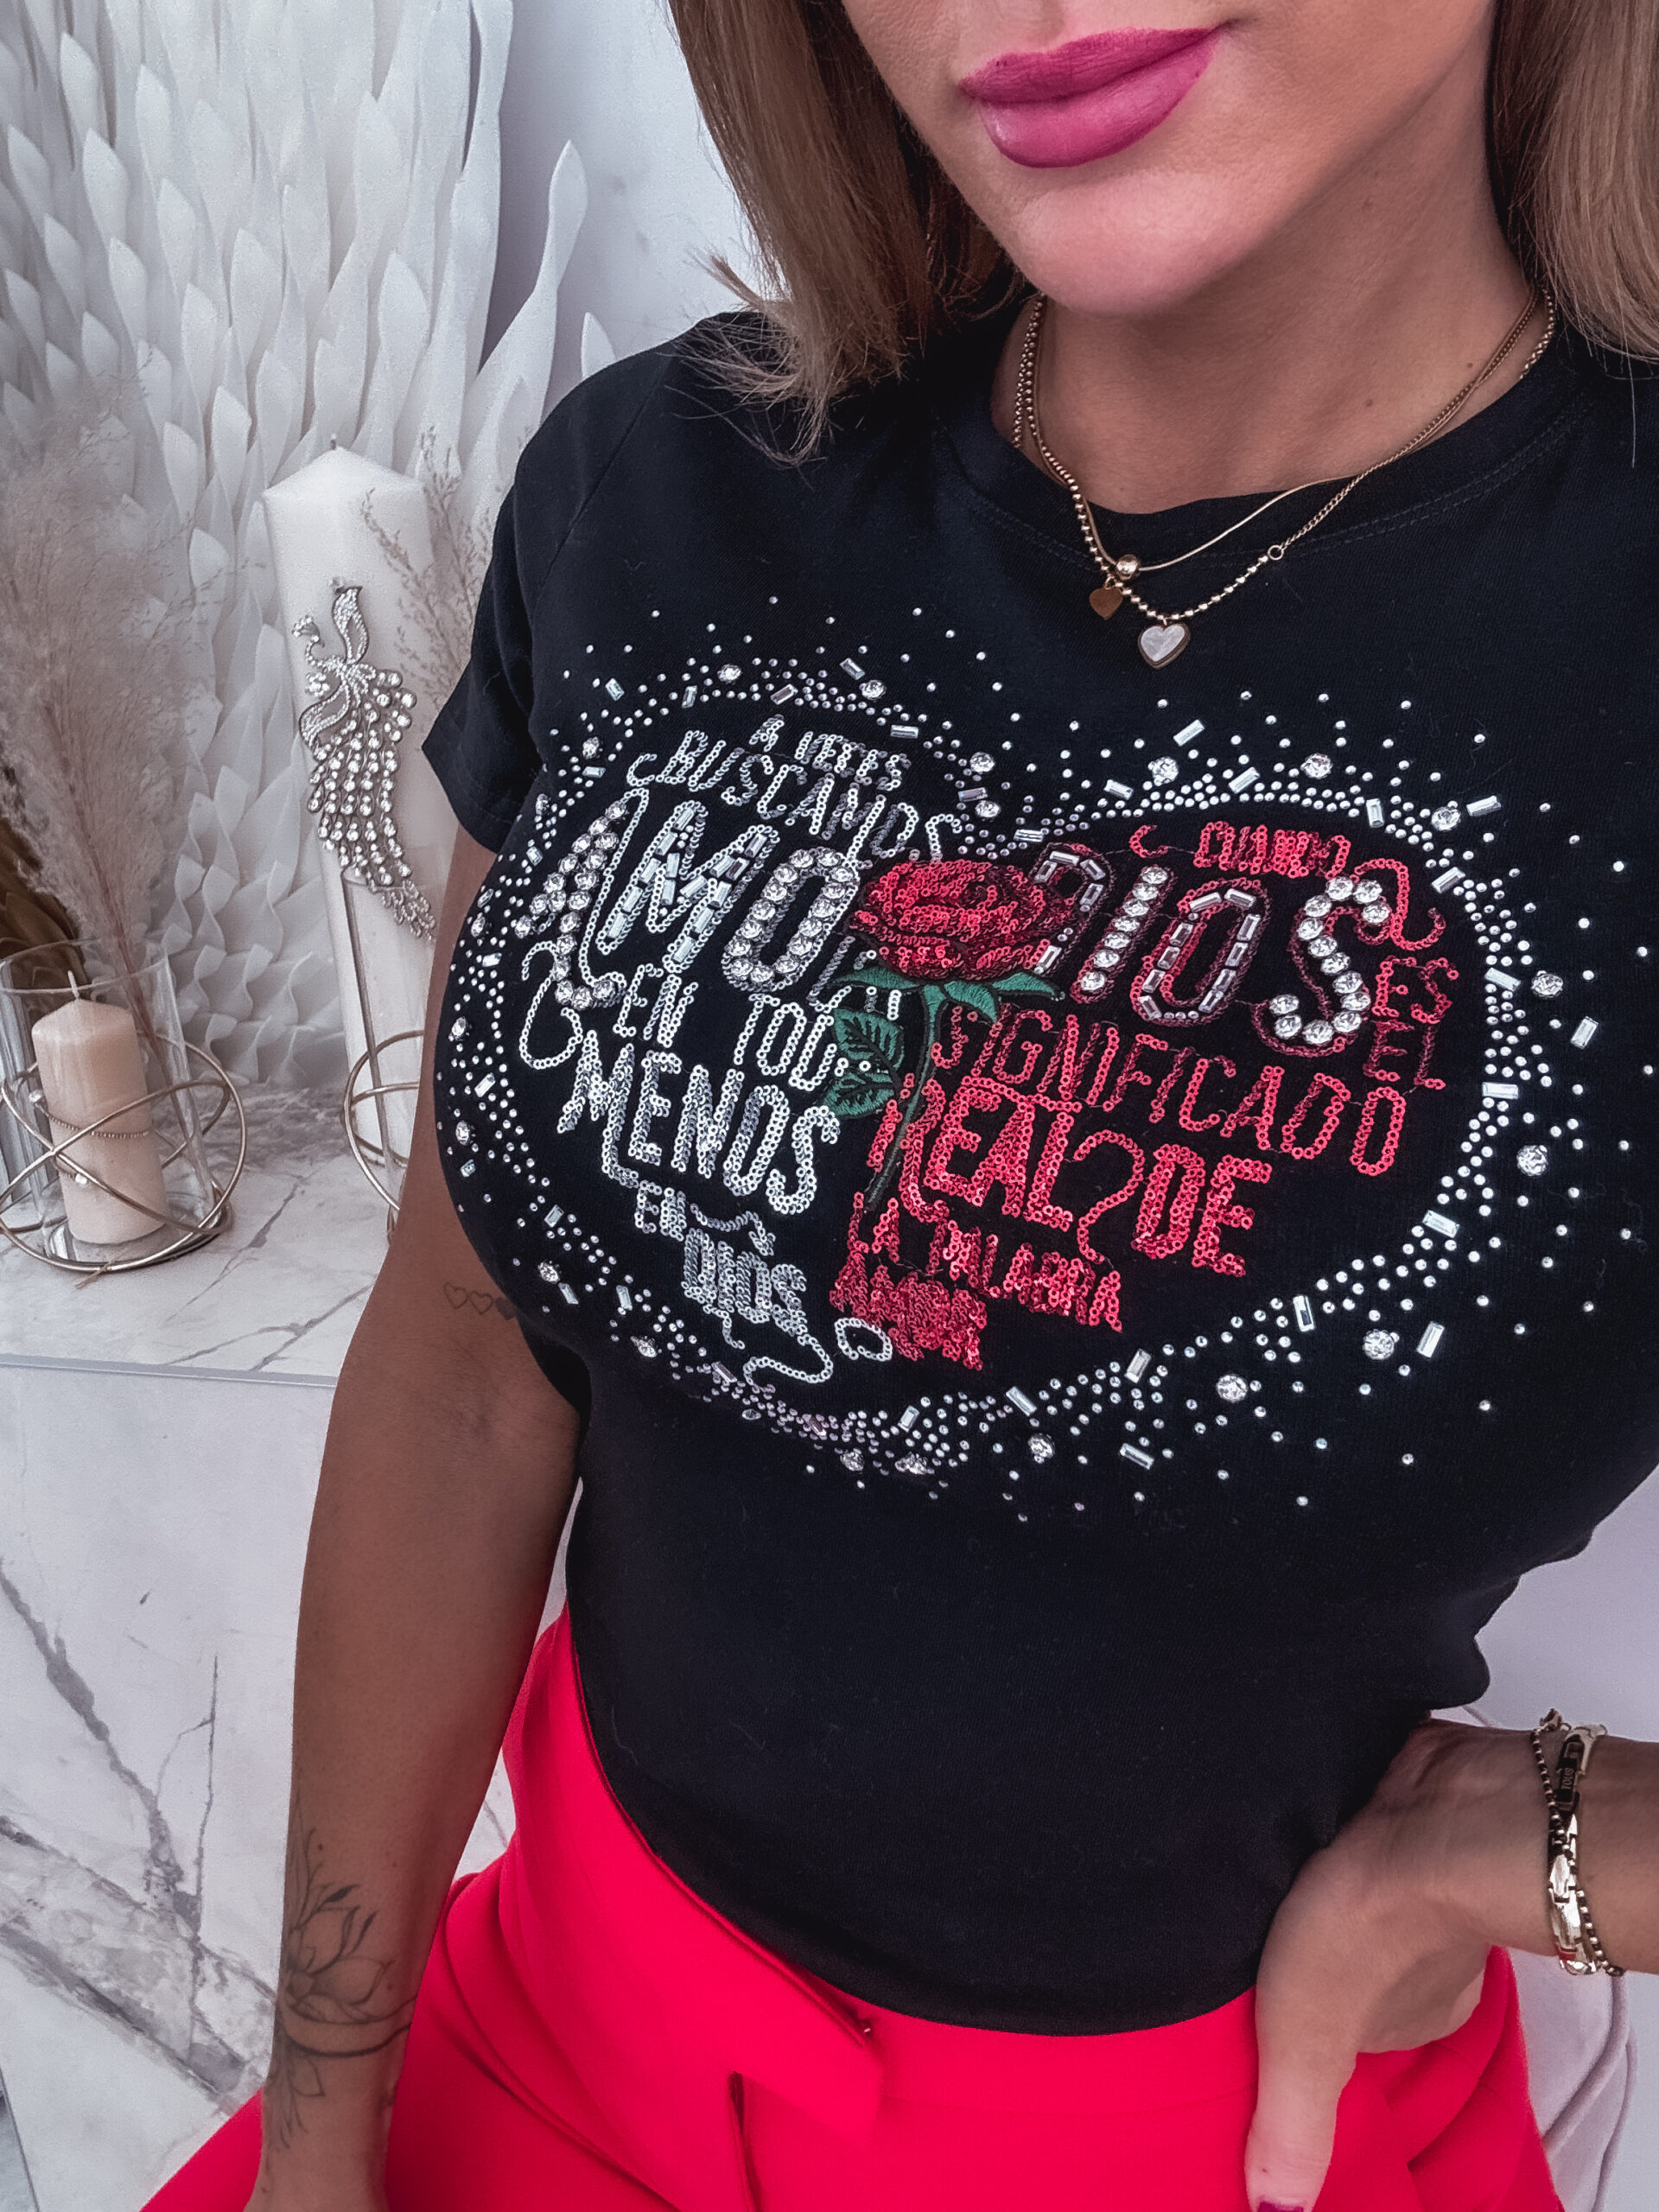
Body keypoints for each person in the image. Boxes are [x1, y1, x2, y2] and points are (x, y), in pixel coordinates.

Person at [149, 3, 1659, 2208]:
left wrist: (1560, 1849)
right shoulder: (662, 488)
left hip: (1220, 2149)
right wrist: (319, 2125)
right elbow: (469, 1353)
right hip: (543, 2031)